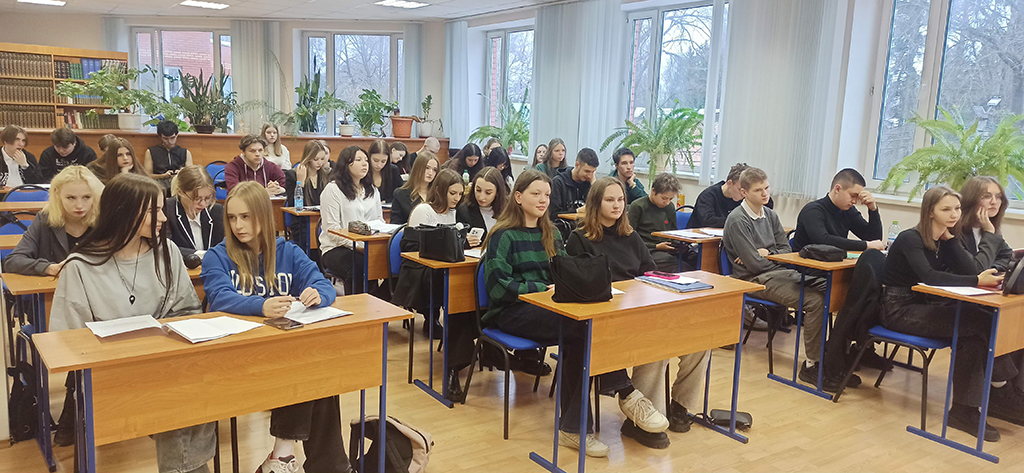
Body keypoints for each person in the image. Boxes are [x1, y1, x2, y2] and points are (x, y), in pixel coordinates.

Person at [483, 170, 668, 457]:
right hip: (511, 312)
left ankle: (573, 428)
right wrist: (541, 288)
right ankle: (624, 392)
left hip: (552, 308)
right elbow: (498, 287)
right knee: (580, 330)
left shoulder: (552, 233)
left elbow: (566, 276)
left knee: (582, 331)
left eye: (547, 194)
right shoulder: (502, 235)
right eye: (535, 194)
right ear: (518, 197)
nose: (543, 200)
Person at [50, 173, 215, 473]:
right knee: (176, 398)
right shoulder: (80, 266)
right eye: (154, 211)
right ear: (124, 212)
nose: (163, 218)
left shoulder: (168, 253)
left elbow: (189, 311)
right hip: (110, 375)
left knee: (194, 390)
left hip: (163, 363)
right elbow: (64, 340)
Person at [202, 181, 347, 473]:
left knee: (319, 374)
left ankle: (285, 458)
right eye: (232, 218)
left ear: (263, 217)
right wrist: (261, 305)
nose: (238, 225)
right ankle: (310, 463)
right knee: (308, 369)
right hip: (237, 358)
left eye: (245, 217)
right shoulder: (218, 255)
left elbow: (321, 282)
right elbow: (218, 297)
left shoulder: (288, 252)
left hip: (280, 354)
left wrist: (319, 294)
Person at [565, 177, 703, 448]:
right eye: (609, 200)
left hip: (638, 308)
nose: (617, 205)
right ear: (596, 203)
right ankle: (640, 419)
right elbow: (580, 285)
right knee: (655, 345)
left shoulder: (631, 237)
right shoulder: (579, 239)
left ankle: (679, 407)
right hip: (606, 316)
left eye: (620, 200)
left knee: (700, 341)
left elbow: (649, 273)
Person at [882, 185, 1012, 441]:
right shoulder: (911, 238)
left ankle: (964, 410)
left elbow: (968, 269)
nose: (954, 214)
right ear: (930, 212)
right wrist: (977, 281)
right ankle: (1001, 386)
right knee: (979, 324)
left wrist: (951, 241)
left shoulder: (946, 240)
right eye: (946, 209)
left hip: (927, 306)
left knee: (977, 329)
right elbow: (930, 277)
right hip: (898, 309)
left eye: (957, 208)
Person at [2, 164, 103, 446]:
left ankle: (78, 406)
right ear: (57, 195)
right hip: (56, 308)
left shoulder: (102, 220)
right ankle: (74, 408)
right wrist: (47, 267)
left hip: (98, 304)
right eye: (71, 198)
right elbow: (13, 260)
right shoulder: (46, 220)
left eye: (86, 197)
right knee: (80, 338)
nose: (79, 205)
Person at [722, 167, 836, 390]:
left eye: (766, 187)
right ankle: (812, 365)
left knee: (832, 289)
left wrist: (767, 253)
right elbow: (754, 265)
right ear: (744, 192)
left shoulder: (771, 215)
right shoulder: (737, 220)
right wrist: (773, 258)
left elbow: (787, 251)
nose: (765, 193)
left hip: (780, 273)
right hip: (754, 280)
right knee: (815, 301)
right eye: (758, 190)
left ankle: (834, 356)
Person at [393, 169, 474, 399]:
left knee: (465, 294)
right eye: (452, 193)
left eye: (459, 194)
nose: (457, 198)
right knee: (458, 293)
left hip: (444, 272)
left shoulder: (455, 213)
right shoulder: (424, 210)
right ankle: (458, 359)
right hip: (419, 273)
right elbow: (410, 248)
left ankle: (464, 353)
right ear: (439, 191)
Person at [956, 176, 1024, 427]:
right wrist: (990, 235)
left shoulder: (991, 231)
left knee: (1018, 320)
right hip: (953, 303)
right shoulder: (957, 231)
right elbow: (976, 269)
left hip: (981, 298)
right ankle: (1001, 389)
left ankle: (1013, 391)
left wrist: (993, 268)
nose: (994, 202)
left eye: (998, 197)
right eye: (987, 196)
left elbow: (1006, 259)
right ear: (972, 200)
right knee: (989, 325)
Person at [319, 145, 384, 295]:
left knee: (389, 263)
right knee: (358, 266)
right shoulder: (333, 189)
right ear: (346, 164)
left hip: (366, 246)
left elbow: (379, 221)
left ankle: (379, 300)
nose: (365, 164)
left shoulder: (372, 190)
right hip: (336, 248)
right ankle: (356, 305)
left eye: (366, 160)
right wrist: (359, 246)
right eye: (359, 160)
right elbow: (332, 230)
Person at [792, 168, 883, 251]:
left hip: (833, 261)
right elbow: (822, 240)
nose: (855, 201)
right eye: (853, 196)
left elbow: (875, 240)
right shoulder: (812, 210)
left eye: (857, 197)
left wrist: (873, 209)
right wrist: (865, 245)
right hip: (805, 262)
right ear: (837, 189)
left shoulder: (848, 210)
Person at [628, 173, 692, 273]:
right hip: (650, 250)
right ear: (653, 191)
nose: (667, 202)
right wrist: (656, 246)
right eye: (664, 198)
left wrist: (680, 244)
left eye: (670, 199)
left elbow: (673, 232)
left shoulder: (669, 207)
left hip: (668, 248)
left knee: (696, 258)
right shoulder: (638, 206)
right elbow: (630, 239)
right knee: (683, 267)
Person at [687, 162, 774, 229]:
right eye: (740, 189)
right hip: (698, 242)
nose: (743, 193)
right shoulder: (708, 196)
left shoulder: (745, 196)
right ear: (729, 183)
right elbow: (708, 221)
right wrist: (739, 222)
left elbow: (768, 205)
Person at [165, 165, 223, 259]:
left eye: (208, 198)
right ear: (180, 192)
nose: (203, 204)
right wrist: (202, 255)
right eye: (197, 198)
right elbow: (165, 248)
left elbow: (226, 246)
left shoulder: (217, 211)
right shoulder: (167, 210)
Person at [287, 140, 332, 247]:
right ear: (308, 158)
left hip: (323, 221)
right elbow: (295, 206)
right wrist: (300, 183)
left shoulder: (327, 175)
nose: (320, 163)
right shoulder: (292, 175)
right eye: (316, 159)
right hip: (302, 223)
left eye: (322, 159)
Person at [457, 166, 507, 247]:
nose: (481, 197)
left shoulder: (507, 210)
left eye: (488, 193)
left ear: (497, 192)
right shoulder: (463, 211)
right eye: (478, 190)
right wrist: (464, 241)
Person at [390, 151, 439, 225]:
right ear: (418, 168)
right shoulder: (400, 194)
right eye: (427, 168)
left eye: (434, 170)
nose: (430, 173)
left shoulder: (438, 195)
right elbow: (395, 225)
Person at [145, 121, 194, 193]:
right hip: (158, 186)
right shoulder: (151, 152)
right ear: (160, 137)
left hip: (179, 186)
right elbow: (147, 176)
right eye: (165, 139)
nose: (170, 141)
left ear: (177, 135)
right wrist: (163, 176)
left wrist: (181, 173)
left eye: (172, 138)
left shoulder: (185, 152)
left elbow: (192, 175)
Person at [550, 148, 598, 218]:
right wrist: (577, 211)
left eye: (593, 172)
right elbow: (554, 214)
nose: (590, 176)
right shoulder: (558, 183)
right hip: (564, 224)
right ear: (577, 165)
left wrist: (595, 185)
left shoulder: (590, 183)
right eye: (587, 171)